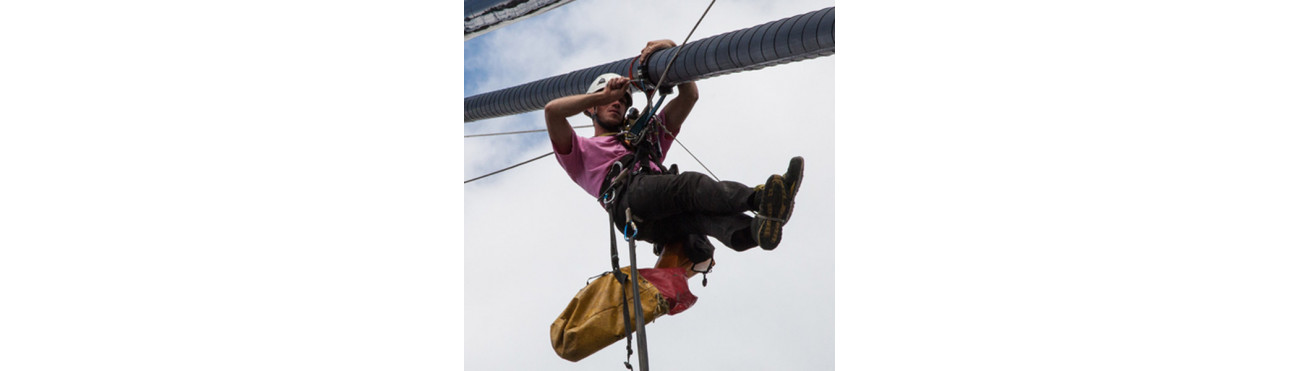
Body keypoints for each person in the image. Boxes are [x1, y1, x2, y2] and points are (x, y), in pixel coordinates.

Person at [543, 39, 803, 268]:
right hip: (628, 200)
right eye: (608, 100)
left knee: (700, 219)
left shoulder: (644, 138)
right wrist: (602, 94)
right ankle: (760, 198)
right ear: (590, 110)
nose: (616, 103)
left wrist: (670, 47)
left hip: (648, 221)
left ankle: (755, 232)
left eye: (622, 101)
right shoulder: (580, 152)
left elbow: (689, 95)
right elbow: (552, 111)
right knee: (688, 186)